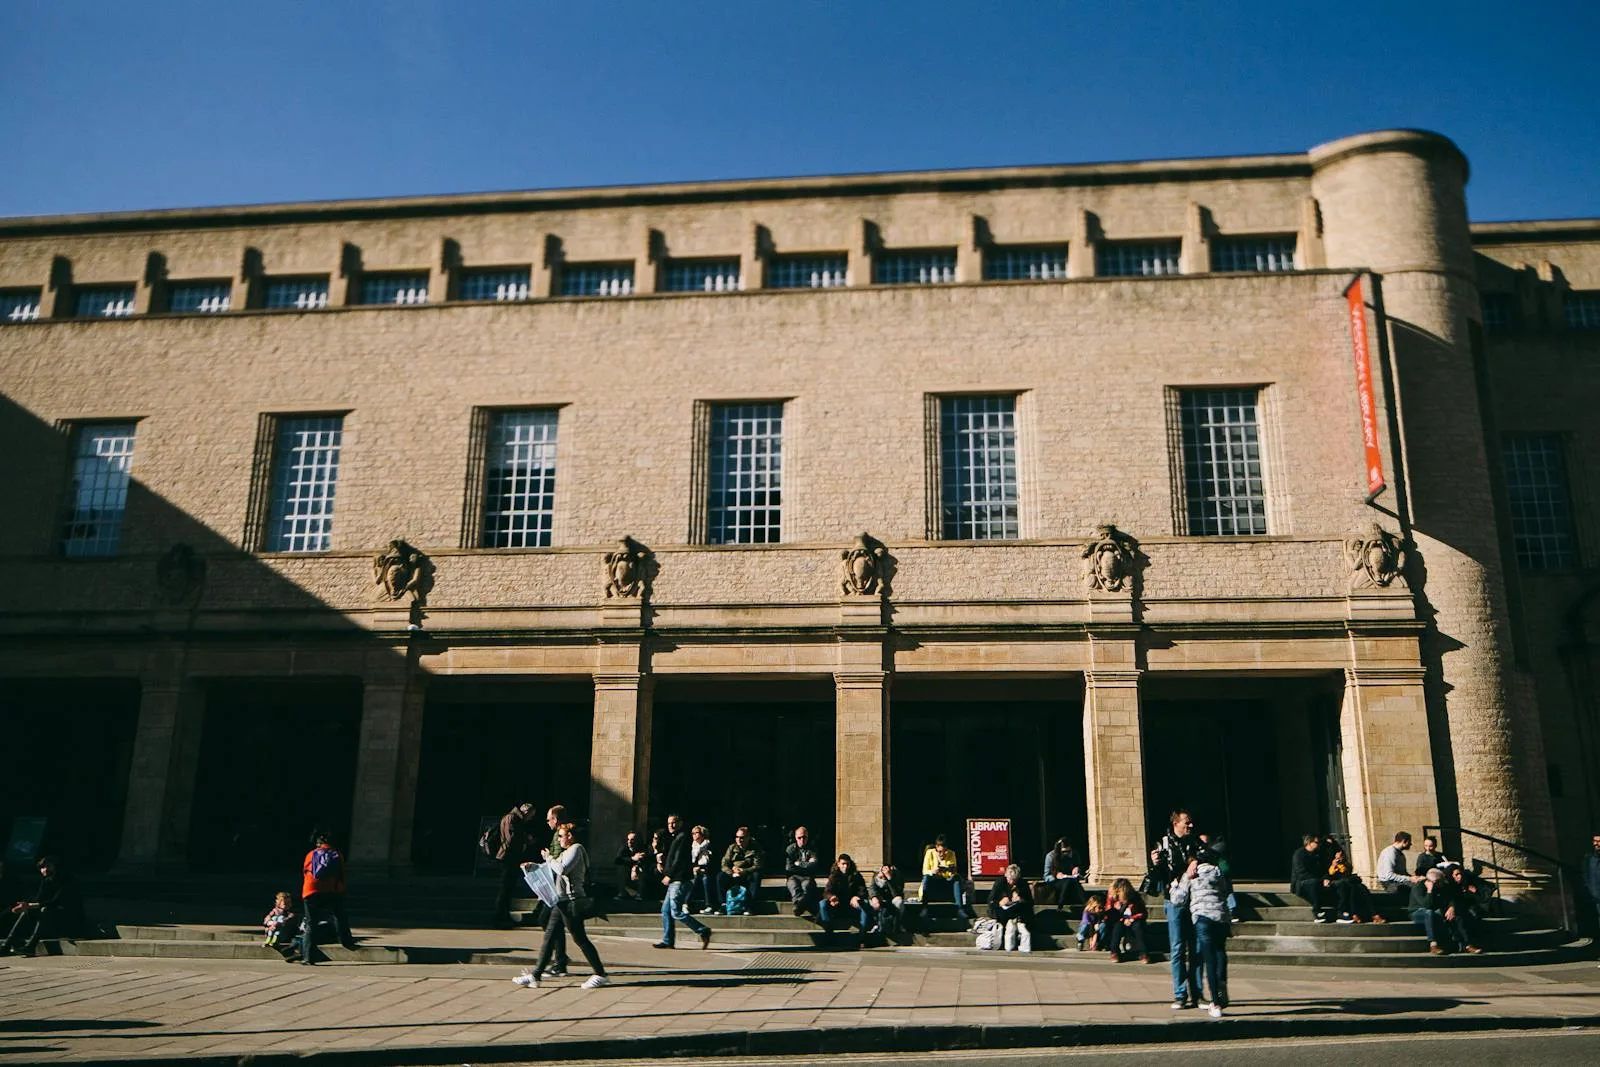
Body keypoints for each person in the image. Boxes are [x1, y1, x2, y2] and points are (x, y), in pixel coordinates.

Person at [513, 822, 611, 988]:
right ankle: (536, 975)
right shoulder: (567, 852)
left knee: (580, 939)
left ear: (570, 836)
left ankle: (600, 974)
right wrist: (533, 866)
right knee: (550, 936)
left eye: (560, 836)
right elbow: (551, 868)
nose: (558, 840)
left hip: (572, 901)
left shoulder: (577, 849)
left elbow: (561, 869)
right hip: (561, 902)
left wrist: (549, 857)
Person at [1147, 810, 1202, 1008]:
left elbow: (1212, 856)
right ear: (1176, 823)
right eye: (1187, 822)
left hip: (1195, 900)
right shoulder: (1163, 844)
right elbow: (1156, 877)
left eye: (1191, 822)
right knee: (1178, 947)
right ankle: (1180, 994)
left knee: (1196, 947)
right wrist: (1154, 865)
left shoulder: (1194, 843)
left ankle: (1197, 994)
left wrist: (1198, 861)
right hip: (1175, 900)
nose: (1191, 825)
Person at [1171, 852, 1229, 1018]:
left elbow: (1178, 899)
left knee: (1209, 959)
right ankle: (1222, 982)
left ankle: (1216, 1003)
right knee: (1220, 952)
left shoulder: (1190, 875)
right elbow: (1224, 892)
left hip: (1203, 917)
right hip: (1221, 916)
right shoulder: (1218, 872)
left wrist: (1174, 885)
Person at [1, 856, 84, 957]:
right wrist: (25, 905)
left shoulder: (66, 880)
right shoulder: (45, 881)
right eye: (42, 867)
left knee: (45, 909)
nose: (45, 869)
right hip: (51, 919)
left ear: (55, 867)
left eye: (48, 866)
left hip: (68, 919)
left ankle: (31, 946)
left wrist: (32, 905)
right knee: (28, 911)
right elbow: (39, 900)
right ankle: (7, 945)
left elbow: (56, 901)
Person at [654, 814, 713, 950]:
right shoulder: (676, 838)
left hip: (679, 880)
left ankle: (702, 930)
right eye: (669, 823)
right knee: (666, 910)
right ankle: (668, 940)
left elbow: (679, 858)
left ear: (680, 823)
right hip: (675, 879)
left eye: (674, 823)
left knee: (675, 911)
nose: (671, 826)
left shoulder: (683, 837)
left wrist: (669, 874)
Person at [298, 831, 356, 965]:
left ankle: (308, 956)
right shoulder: (337, 854)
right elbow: (342, 874)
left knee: (311, 923)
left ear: (318, 844)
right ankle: (347, 942)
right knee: (339, 915)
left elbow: (305, 871)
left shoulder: (311, 854)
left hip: (311, 891)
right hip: (332, 890)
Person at [1409, 866, 1480, 955]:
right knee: (1429, 912)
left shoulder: (1441, 885)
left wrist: (1451, 908)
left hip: (1435, 911)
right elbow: (1426, 905)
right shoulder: (1418, 887)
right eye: (1439, 881)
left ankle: (1467, 945)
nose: (1442, 883)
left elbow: (1450, 898)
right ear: (1432, 881)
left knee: (1456, 916)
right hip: (1417, 912)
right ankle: (1433, 945)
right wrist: (1429, 890)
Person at [491, 802, 538, 928]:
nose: (531, 819)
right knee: (505, 888)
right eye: (531, 815)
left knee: (508, 888)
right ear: (526, 812)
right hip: (508, 858)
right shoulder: (512, 818)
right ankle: (500, 916)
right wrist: (526, 839)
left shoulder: (514, 818)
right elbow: (511, 839)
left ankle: (503, 915)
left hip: (509, 858)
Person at [917, 834, 975, 927]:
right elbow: (925, 871)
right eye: (939, 851)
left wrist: (947, 869)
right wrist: (933, 871)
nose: (942, 854)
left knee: (956, 878)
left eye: (944, 851)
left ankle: (959, 909)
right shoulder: (930, 853)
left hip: (946, 881)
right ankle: (924, 908)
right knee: (926, 878)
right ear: (936, 848)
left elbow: (953, 872)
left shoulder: (951, 854)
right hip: (934, 881)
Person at [1327, 844, 1386, 924]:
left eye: (1341, 856)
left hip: (1348, 882)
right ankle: (1354, 914)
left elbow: (1347, 874)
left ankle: (1374, 914)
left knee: (1362, 888)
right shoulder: (1331, 864)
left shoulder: (1346, 865)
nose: (1339, 859)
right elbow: (1330, 875)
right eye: (1337, 857)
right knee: (1352, 888)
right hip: (1338, 884)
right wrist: (1334, 866)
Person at [819, 853, 870, 943]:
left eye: (847, 864)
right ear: (838, 864)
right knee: (822, 903)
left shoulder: (856, 875)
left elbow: (863, 891)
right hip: (838, 905)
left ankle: (862, 937)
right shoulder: (834, 876)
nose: (845, 866)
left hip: (852, 905)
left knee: (865, 903)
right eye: (843, 864)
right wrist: (832, 897)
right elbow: (826, 892)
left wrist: (857, 897)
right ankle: (828, 934)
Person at [987, 863, 1035, 952]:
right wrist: (1000, 902)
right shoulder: (1000, 883)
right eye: (1009, 879)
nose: (1011, 882)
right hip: (1002, 910)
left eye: (1014, 880)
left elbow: (1030, 902)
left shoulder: (1023, 884)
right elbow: (991, 901)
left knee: (1023, 911)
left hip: (1017, 910)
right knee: (1004, 915)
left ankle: (1019, 928)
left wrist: (1021, 899)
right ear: (1006, 876)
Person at [1289, 833, 1335, 923]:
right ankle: (1317, 911)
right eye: (1317, 842)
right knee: (1314, 883)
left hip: (1316, 881)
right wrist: (1320, 881)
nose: (1319, 845)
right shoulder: (1299, 854)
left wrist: (1326, 878)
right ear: (1309, 842)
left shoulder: (1317, 855)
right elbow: (1301, 873)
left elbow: (1323, 870)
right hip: (1301, 883)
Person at [1103, 877, 1149, 963]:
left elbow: (1143, 913)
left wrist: (1132, 919)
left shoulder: (1135, 898)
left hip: (1134, 920)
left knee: (1137, 927)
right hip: (1119, 921)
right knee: (1118, 926)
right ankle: (1114, 952)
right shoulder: (1112, 898)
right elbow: (1108, 914)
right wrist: (1121, 918)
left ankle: (1143, 953)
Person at [718, 826, 763, 913]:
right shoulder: (732, 847)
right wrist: (731, 872)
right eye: (737, 837)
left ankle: (750, 906)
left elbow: (758, 865)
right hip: (733, 872)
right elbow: (724, 863)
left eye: (742, 837)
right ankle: (723, 904)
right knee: (720, 876)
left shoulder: (756, 847)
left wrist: (744, 871)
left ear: (748, 837)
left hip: (748, 872)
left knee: (756, 875)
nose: (739, 839)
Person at [784, 826, 825, 918]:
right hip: (793, 876)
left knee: (806, 886)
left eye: (804, 837)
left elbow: (814, 865)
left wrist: (799, 864)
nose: (802, 840)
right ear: (795, 837)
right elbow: (789, 867)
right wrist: (806, 864)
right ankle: (800, 904)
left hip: (808, 877)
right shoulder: (790, 849)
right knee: (793, 885)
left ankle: (799, 907)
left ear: (807, 837)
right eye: (799, 837)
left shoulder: (812, 848)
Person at [1040, 839, 1084, 908]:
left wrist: (1077, 869)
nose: (1066, 853)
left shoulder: (1074, 854)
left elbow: (1080, 869)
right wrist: (1055, 876)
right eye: (1064, 851)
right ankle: (1061, 903)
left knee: (1071, 882)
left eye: (1068, 851)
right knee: (1067, 882)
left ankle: (1082, 903)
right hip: (1056, 882)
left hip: (1072, 881)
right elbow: (1046, 877)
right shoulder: (1050, 856)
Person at [1377, 831, 1422, 896]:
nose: (1411, 844)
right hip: (1389, 883)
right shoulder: (1390, 852)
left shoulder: (1400, 854)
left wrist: (1414, 877)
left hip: (1397, 881)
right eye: (1409, 842)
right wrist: (1410, 879)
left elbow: (1403, 873)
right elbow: (1389, 875)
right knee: (1416, 888)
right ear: (1404, 841)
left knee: (1421, 884)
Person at [868, 864, 904, 938]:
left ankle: (898, 924)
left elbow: (896, 894)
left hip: (892, 899)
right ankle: (876, 924)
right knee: (871, 902)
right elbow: (872, 889)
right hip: (880, 899)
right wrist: (874, 897)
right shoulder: (876, 875)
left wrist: (889, 879)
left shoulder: (897, 876)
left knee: (899, 901)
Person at [613, 831, 648, 900]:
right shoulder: (624, 848)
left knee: (641, 870)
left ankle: (639, 893)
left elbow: (645, 860)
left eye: (632, 840)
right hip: (627, 869)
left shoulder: (643, 848)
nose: (629, 842)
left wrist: (635, 867)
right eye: (628, 839)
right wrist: (632, 859)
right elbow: (618, 860)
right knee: (621, 868)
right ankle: (622, 892)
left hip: (639, 869)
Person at [689, 825, 716, 914]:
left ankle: (709, 905)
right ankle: (687, 904)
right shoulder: (691, 846)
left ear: (703, 834)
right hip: (693, 870)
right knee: (693, 878)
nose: (694, 835)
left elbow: (713, 862)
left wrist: (702, 869)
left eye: (696, 833)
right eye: (693, 833)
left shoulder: (709, 846)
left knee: (706, 878)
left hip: (706, 870)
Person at [1583, 833, 1600, 936]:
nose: (1596, 844)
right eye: (1595, 841)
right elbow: (1585, 875)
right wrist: (1590, 890)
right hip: (1597, 894)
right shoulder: (1589, 858)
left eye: (1598, 841)